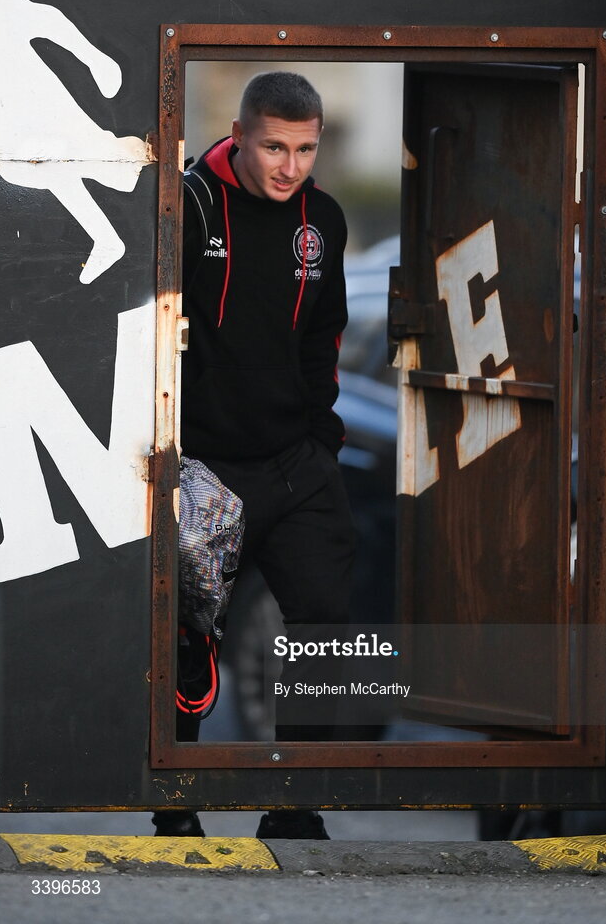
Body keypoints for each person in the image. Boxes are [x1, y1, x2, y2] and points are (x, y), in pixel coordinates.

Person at [153, 71, 355, 841]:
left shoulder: (323, 220)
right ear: (239, 135)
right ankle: (175, 808)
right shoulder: (188, 202)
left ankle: (296, 805)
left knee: (326, 624)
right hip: (204, 462)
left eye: (306, 148)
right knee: (190, 633)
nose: (290, 166)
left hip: (296, 463)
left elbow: (323, 340)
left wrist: (322, 445)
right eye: (274, 145)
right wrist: (171, 451)